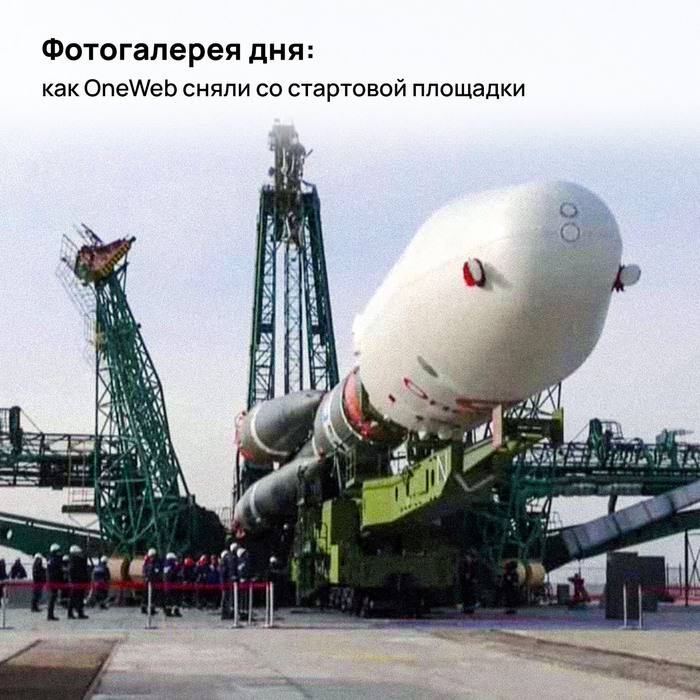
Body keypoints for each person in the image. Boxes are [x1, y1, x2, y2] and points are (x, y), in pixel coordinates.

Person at [67, 545, 89, 619]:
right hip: (76, 582)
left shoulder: (76, 560)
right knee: (73, 598)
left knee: (80, 597)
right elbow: (74, 572)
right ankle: (71, 613)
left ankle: (80, 612)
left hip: (79, 581)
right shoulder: (74, 561)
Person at [141, 548, 162, 615]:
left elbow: (144, 570)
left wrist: (145, 577)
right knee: (150, 595)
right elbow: (156, 571)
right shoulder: (153, 562)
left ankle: (147, 608)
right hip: (151, 581)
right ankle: (148, 609)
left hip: (148, 581)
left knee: (148, 595)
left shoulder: (147, 561)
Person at [46, 543, 63, 621]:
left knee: (52, 597)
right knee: (52, 597)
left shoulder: (50, 559)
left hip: (51, 580)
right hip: (54, 580)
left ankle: (50, 614)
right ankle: (50, 615)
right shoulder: (55, 559)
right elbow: (58, 570)